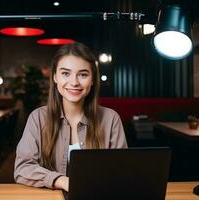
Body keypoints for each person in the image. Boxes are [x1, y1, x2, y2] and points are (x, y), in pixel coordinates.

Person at [14, 42, 127, 192]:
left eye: (83, 74)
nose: (74, 82)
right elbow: (22, 168)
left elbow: (122, 171)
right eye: (65, 73)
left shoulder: (111, 119)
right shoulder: (38, 118)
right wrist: (61, 181)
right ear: (54, 77)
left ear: (92, 79)